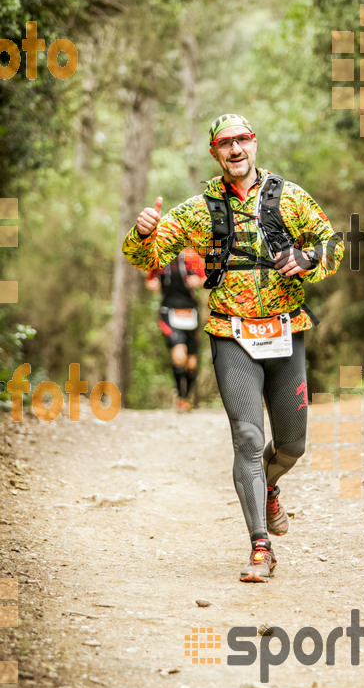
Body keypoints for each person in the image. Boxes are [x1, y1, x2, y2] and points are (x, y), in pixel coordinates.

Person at [123, 113, 343, 582]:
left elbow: (333, 244)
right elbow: (148, 255)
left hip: (285, 332)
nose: (235, 149)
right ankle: (260, 547)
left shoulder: (290, 197)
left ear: (254, 143)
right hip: (231, 334)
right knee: (246, 437)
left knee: (293, 445)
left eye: (242, 140)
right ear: (215, 153)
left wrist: (307, 259)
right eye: (225, 143)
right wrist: (143, 232)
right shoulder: (200, 209)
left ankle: (269, 486)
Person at [145, 248, 205, 412]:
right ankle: (181, 398)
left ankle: (186, 397)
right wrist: (153, 284)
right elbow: (150, 280)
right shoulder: (158, 258)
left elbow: (205, 278)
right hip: (169, 312)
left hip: (191, 312)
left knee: (191, 364)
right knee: (179, 355)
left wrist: (198, 281)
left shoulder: (191, 257)